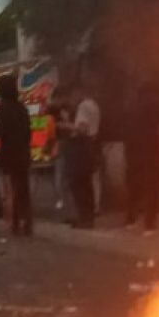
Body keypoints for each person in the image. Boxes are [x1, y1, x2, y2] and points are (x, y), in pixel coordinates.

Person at [0, 74, 33, 236]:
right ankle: (27, 222)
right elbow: (27, 133)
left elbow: (0, 131)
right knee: (23, 188)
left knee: (11, 189)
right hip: (23, 153)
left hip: (9, 154)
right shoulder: (21, 108)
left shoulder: (3, 109)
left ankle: (15, 222)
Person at [58, 84, 100, 229]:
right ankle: (88, 217)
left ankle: (84, 217)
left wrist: (65, 125)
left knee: (78, 183)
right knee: (86, 184)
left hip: (80, 146)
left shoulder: (83, 106)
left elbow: (82, 128)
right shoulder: (94, 106)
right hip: (90, 144)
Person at [124, 82, 159, 233]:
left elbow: (127, 130)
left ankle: (131, 219)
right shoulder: (155, 107)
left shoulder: (132, 109)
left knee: (134, 187)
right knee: (151, 187)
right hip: (150, 151)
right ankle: (149, 223)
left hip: (134, 152)